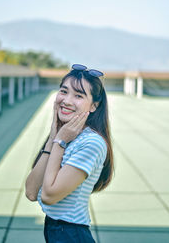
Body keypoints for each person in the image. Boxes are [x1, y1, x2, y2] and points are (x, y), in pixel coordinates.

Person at [25, 64, 114, 243]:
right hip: (55, 229)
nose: (66, 100)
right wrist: (53, 136)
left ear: (94, 106)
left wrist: (60, 142)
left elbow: (49, 196)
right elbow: (31, 192)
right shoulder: (65, 135)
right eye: (64, 91)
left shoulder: (92, 143)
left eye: (78, 96)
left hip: (71, 233)